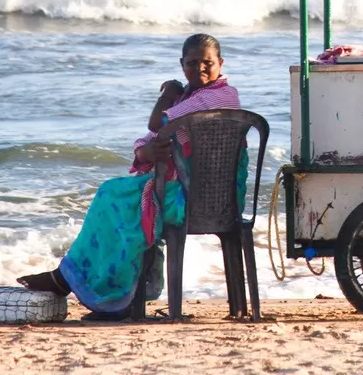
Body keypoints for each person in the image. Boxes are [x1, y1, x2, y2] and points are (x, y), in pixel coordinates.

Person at [17, 33, 241, 318]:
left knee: (113, 196)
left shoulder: (218, 96)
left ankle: (100, 291)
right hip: (191, 191)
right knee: (114, 198)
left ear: (221, 63)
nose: (199, 68)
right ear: (181, 64)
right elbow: (152, 136)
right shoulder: (192, 98)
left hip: (201, 196)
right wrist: (148, 151)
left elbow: (157, 122)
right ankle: (110, 288)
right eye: (191, 62)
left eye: (207, 62)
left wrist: (168, 93)